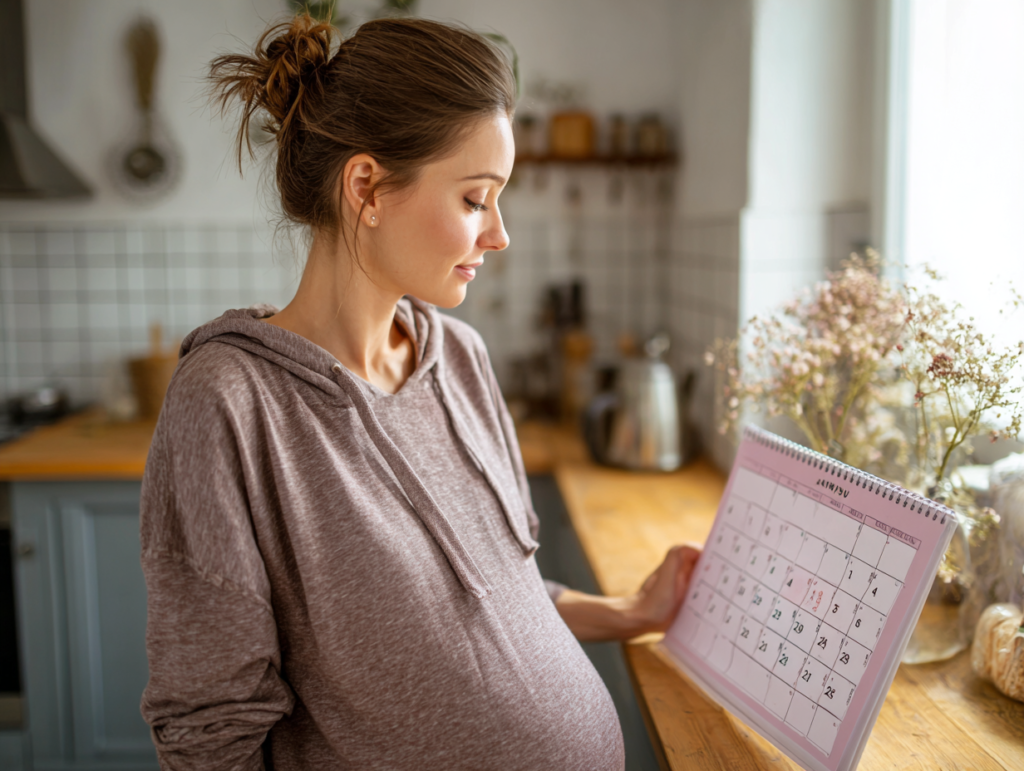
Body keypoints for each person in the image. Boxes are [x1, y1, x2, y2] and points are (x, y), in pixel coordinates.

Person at [139, 13, 700, 771]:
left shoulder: (461, 356)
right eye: (475, 198)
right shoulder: (230, 403)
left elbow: (503, 594)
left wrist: (631, 612)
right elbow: (209, 734)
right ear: (367, 185)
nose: (498, 234)